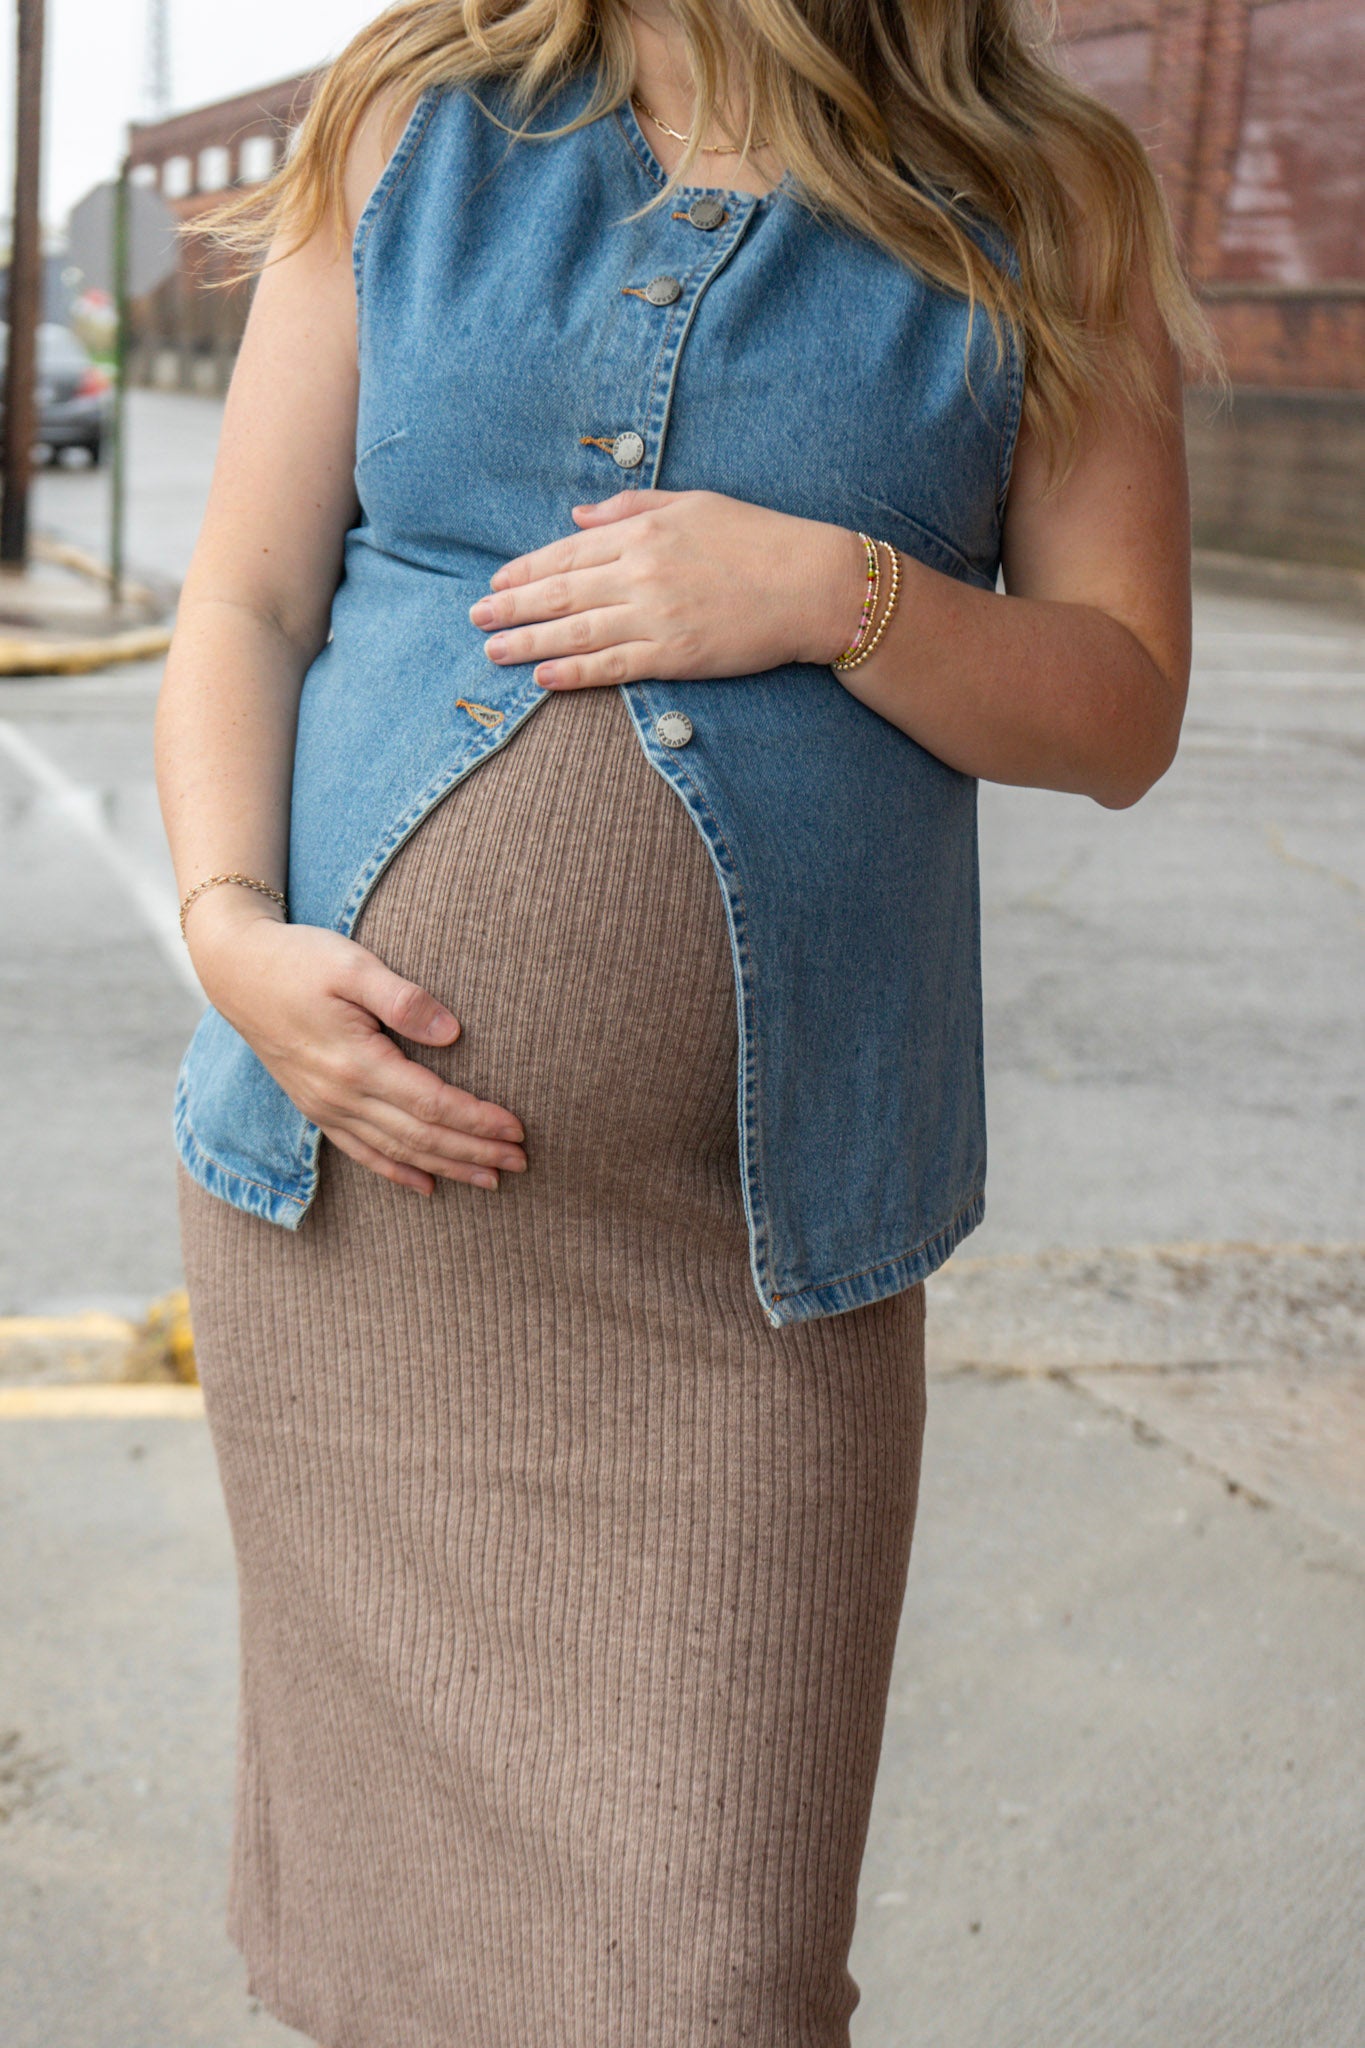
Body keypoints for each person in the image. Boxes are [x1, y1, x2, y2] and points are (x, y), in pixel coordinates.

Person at [155, 2, 1223, 2043]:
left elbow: (1120, 708)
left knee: (715, 1978)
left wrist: (841, 590)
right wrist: (226, 938)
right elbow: (247, 600)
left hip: (749, 1275)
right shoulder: (408, 117)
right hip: (361, 1222)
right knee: (399, 1959)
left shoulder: (1036, 196)